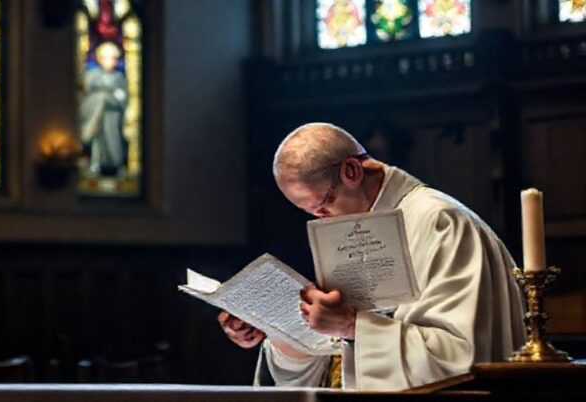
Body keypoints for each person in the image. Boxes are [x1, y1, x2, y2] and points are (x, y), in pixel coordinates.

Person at [218, 122, 525, 391]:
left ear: (351, 171)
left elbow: (461, 359)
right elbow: (339, 363)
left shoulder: (439, 223)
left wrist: (352, 326)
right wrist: (280, 332)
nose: (322, 219)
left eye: (324, 203)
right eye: (309, 213)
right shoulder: (355, 226)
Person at [80, 41, 129, 176]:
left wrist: (109, 97)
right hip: (96, 114)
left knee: (113, 140)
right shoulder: (92, 75)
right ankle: (95, 163)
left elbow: (121, 97)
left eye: (114, 58)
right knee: (98, 142)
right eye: (107, 57)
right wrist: (104, 96)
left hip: (112, 116)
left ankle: (116, 164)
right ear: (99, 58)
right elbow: (87, 92)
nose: (110, 61)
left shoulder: (118, 77)